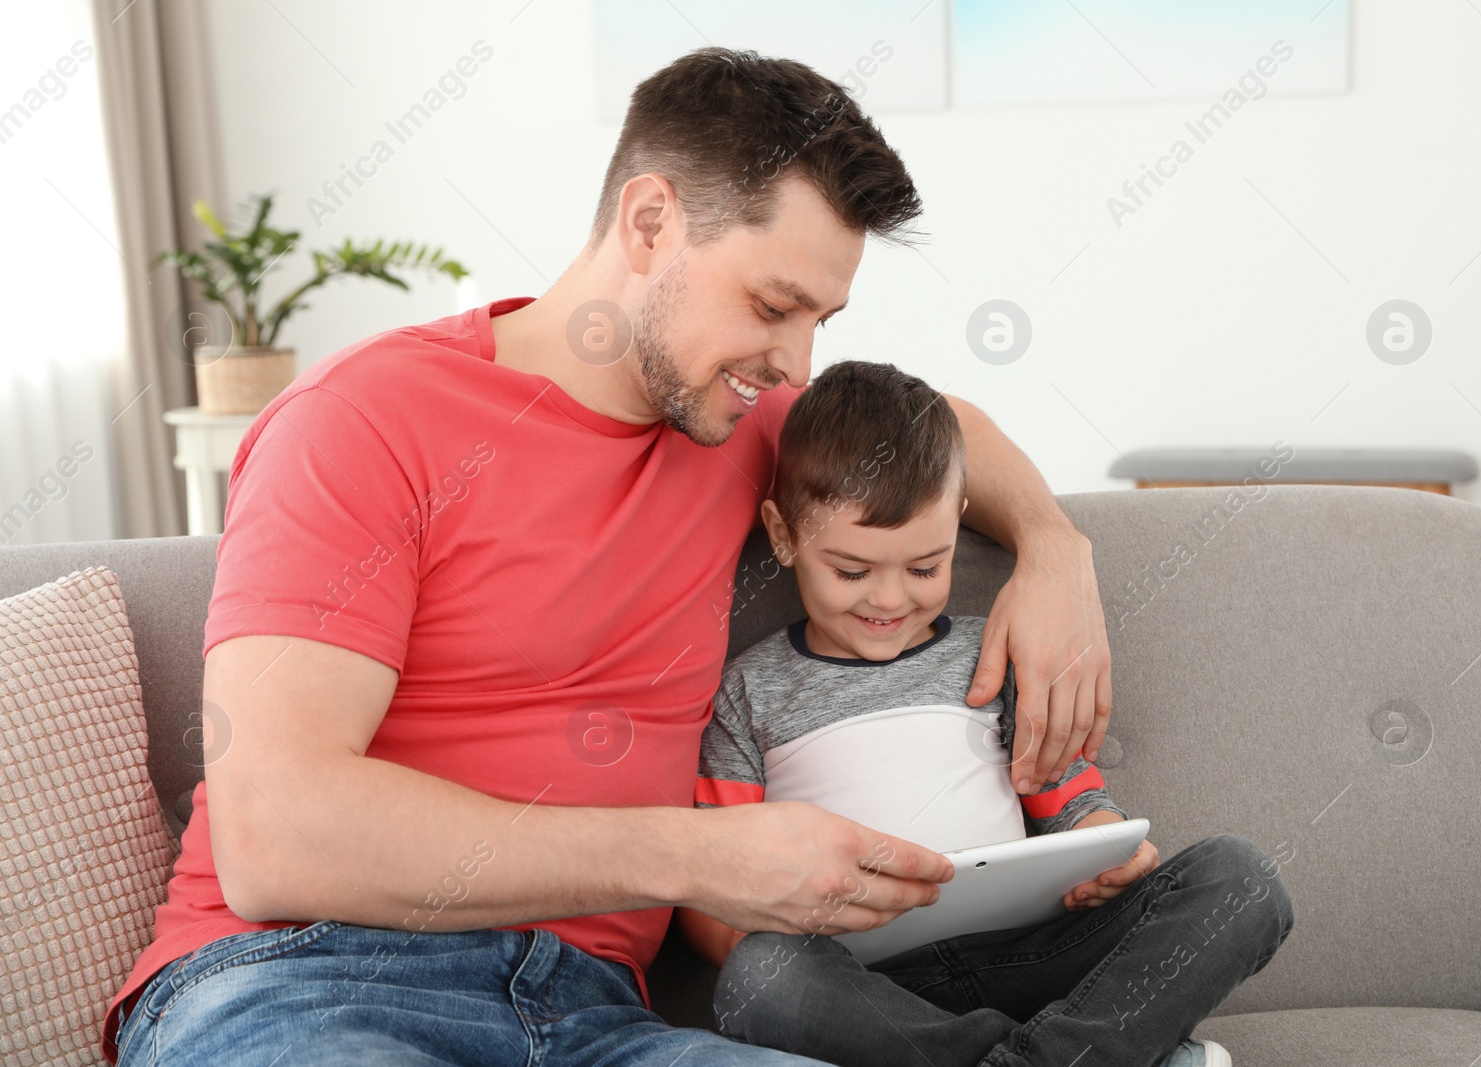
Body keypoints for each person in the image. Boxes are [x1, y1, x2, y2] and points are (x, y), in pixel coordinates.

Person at [104, 48, 1117, 1066]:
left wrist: (1053, 546)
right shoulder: (363, 420)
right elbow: (275, 834)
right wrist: (697, 855)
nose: (796, 363)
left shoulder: (742, 424)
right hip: (303, 984)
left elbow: (941, 428)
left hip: (591, 1018)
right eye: (772, 306)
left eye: (822, 320)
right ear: (648, 223)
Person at [680, 361, 1294, 1067]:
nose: (888, 600)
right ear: (784, 536)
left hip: (1033, 957)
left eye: (924, 568)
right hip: (873, 987)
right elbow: (714, 890)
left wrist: (1107, 846)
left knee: (1242, 878)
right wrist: (775, 925)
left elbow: (1071, 797)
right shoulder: (748, 692)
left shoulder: (994, 651)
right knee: (761, 977)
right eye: (852, 571)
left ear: (959, 520)